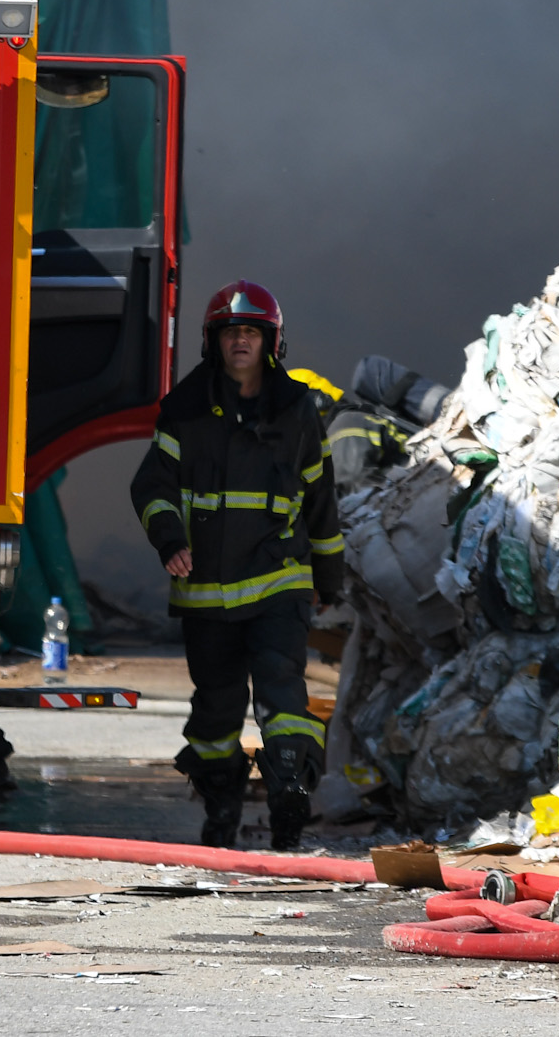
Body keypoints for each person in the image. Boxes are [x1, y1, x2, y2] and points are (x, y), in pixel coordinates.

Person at [129, 280, 342, 851]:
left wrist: (329, 579)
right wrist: (168, 537)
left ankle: (289, 803)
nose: (240, 341)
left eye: (251, 331)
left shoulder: (298, 409)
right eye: (231, 332)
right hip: (207, 595)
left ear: (271, 341)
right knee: (215, 713)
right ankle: (220, 816)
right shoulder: (185, 411)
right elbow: (152, 485)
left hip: (279, 585)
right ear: (213, 341)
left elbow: (321, 498)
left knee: (283, 699)